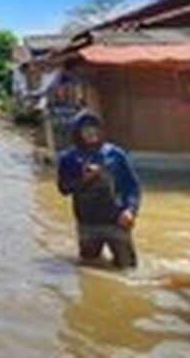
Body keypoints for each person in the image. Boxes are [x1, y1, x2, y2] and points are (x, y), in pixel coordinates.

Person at [56, 111, 142, 269]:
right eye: (85, 129)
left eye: (94, 128)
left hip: (116, 221)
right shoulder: (68, 158)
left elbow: (132, 187)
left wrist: (130, 210)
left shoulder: (116, 155)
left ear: (101, 130)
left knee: (128, 268)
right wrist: (84, 179)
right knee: (89, 268)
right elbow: (63, 189)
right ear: (78, 133)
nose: (91, 132)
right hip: (88, 224)